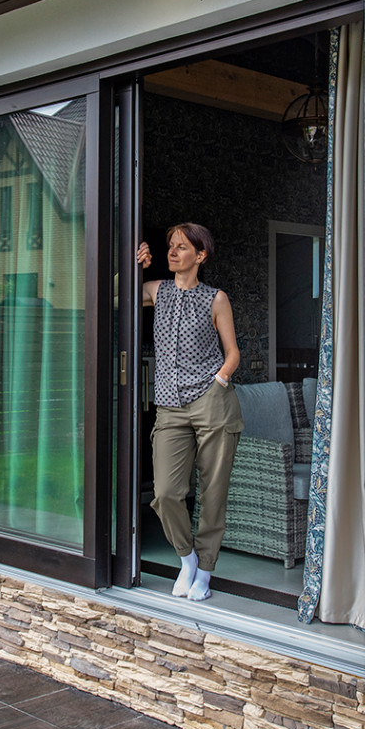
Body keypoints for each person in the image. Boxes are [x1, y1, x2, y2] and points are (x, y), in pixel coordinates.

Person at [136, 223, 242, 601]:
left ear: (200, 256)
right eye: (170, 246)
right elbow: (112, 295)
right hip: (169, 406)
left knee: (213, 493)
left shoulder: (216, 299)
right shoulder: (155, 290)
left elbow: (233, 353)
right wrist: (135, 268)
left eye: (182, 247)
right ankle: (187, 559)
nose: (173, 251)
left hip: (212, 401)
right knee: (166, 492)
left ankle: (206, 570)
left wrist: (221, 381)